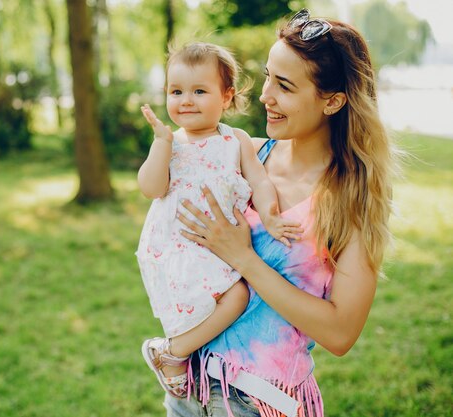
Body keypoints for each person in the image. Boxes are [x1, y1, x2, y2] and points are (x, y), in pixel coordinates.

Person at [167, 9, 398, 417]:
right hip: (190, 386)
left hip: (261, 401)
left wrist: (244, 259)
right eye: (269, 76)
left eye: (285, 86)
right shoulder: (245, 155)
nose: (265, 95)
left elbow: (341, 333)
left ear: (332, 101)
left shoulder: (350, 202)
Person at [136, 42, 302, 399]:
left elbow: (259, 180)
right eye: (176, 91)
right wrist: (161, 144)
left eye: (199, 91)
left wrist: (270, 216)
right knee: (236, 296)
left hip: (217, 248)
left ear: (226, 98)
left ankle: (175, 353)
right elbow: (151, 188)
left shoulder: (236, 140)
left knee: (229, 299)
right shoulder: (171, 143)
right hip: (178, 246)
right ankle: (174, 353)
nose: (186, 101)